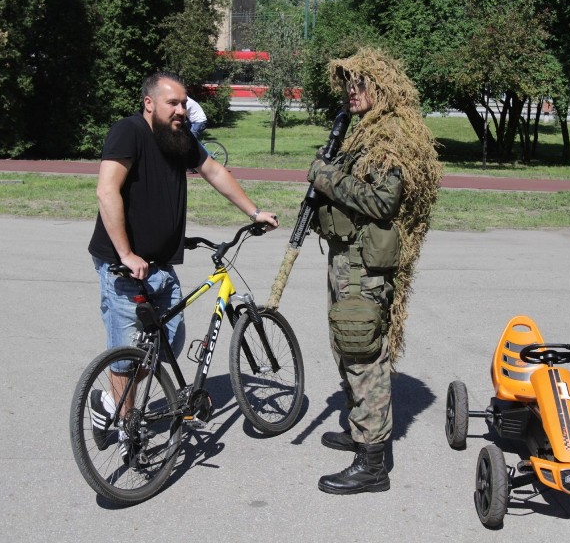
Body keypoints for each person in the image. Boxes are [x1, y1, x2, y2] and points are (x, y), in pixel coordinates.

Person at [87, 71, 278, 463]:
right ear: (149, 104)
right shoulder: (129, 132)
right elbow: (107, 190)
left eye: (184, 102)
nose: (181, 109)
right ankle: (128, 431)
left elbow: (214, 172)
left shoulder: (179, 139)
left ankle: (109, 399)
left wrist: (254, 211)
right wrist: (125, 253)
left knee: (169, 343)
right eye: (172, 102)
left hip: (159, 265)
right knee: (126, 355)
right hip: (125, 266)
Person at [306, 48, 442, 494]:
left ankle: (372, 463)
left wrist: (325, 178)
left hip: (365, 266)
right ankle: (359, 428)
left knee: (363, 353)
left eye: (360, 83)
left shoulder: (394, 135)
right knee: (347, 348)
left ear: (381, 87)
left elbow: (384, 202)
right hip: (346, 259)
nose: (351, 90)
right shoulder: (363, 132)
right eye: (348, 83)